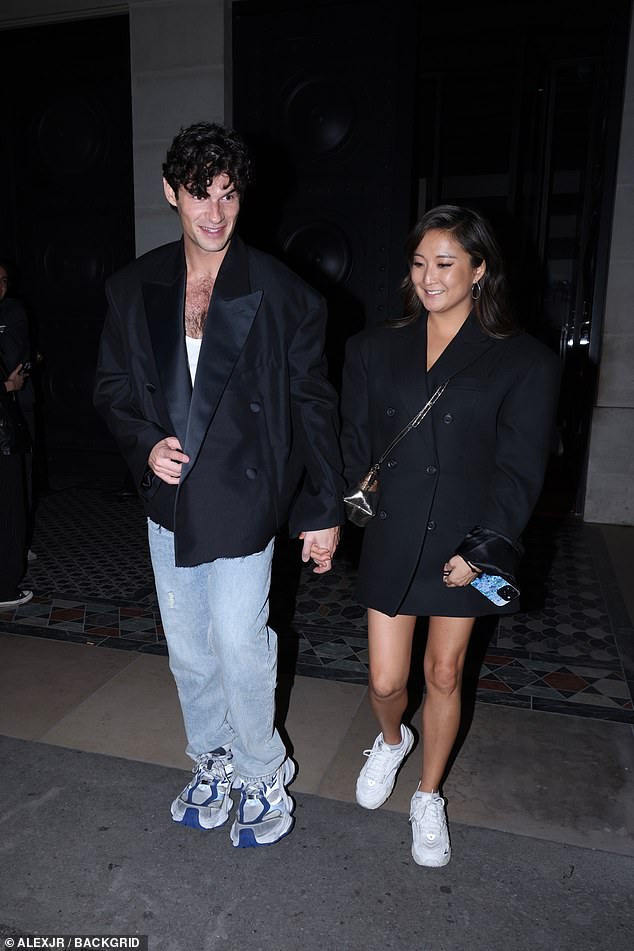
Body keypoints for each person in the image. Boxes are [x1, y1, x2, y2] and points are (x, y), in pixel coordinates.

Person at [93, 121, 344, 848]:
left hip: (245, 493)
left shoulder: (283, 292)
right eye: (199, 194)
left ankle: (264, 768)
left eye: (228, 195)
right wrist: (145, 445)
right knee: (191, 650)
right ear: (171, 192)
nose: (214, 211)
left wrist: (324, 507)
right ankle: (215, 756)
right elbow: (110, 385)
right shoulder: (134, 285)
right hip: (169, 500)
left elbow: (312, 403)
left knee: (239, 641)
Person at [340, 205, 560, 867]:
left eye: (445, 264)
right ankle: (391, 740)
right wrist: (356, 492)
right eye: (418, 263)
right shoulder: (372, 348)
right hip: (395, 531)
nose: (429, 278)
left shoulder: (522, 360)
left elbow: (521, 469)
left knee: (443, 670)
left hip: (465, 542)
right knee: (385, 681)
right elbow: (354, 439)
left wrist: (483, 547)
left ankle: (428, 795)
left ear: (480, 270)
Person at [0, 258, 38, 563]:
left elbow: (16, 356)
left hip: (15, 413)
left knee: (19, 481)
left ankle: (17, 546)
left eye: (3, 280)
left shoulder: (12, 311)